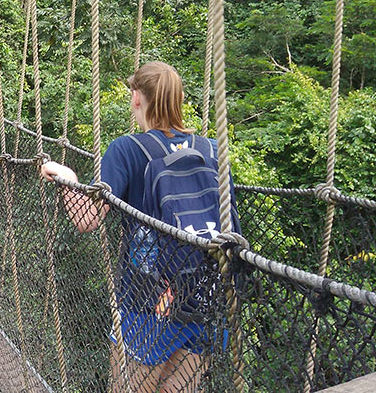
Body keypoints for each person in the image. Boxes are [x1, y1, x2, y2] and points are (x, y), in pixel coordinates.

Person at [40, 61, 238, 393]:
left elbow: (86, 219)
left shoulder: (127, 150)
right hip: (208, 297)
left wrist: (68, 180)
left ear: (136, 98)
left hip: (148, 303)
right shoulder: (213, 150)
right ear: (179, 100)